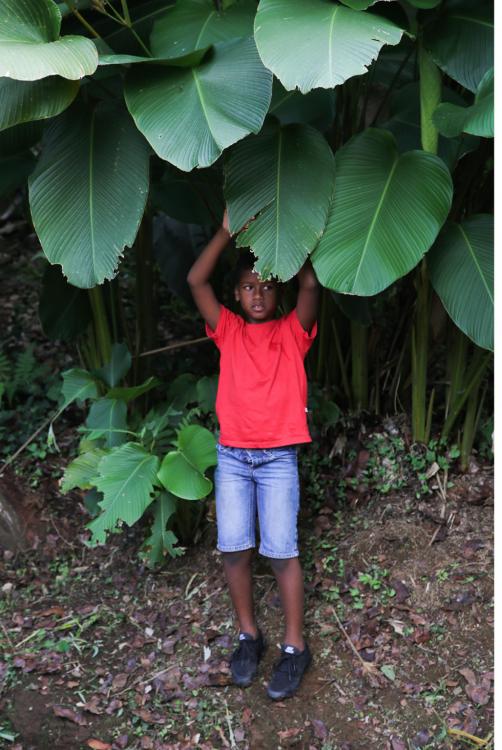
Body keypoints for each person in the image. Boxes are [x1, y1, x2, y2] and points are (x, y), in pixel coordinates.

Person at [187, 210, 319, 700]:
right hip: (234, 458)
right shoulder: (228, 330)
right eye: (247, 287)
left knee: (282, 551)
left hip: (278, 457)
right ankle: (249, 635)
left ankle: (293, 646)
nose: (257, 294)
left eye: (265, 285)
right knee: (235, 548)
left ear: (276, 290)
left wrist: (290, 233)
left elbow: (310, 287)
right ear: (236, 295)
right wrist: (226, 229)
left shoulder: (291, 332)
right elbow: (195, 279)